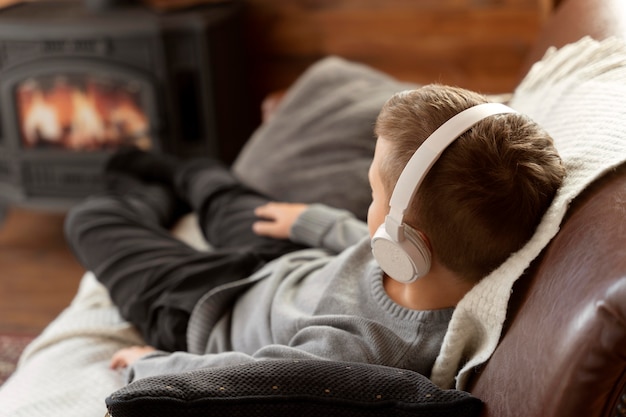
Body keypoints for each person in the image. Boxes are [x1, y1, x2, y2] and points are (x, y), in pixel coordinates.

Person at [64, 84, 565, 383]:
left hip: (209, 306)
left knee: (89, 219)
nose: (369, 202)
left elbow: (247, 380)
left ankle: (151, 198)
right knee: (223, 191)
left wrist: (153, 365)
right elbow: (361, 245)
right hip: (287, 259)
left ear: (405, 242)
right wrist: (308, 222)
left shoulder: (362, 350)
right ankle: (185, 178)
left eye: (374, 194)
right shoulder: (424, 260)